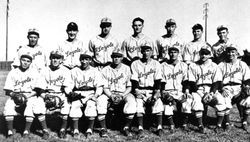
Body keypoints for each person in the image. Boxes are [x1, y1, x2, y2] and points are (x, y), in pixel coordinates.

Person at [4, 52, 49, 139]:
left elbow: (38, 90)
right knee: (8, 106)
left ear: (30, 62)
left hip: (31, 95)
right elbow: (7, 90)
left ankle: (40, 130)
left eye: (28, 61)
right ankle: (9, 131)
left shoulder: (35, 72)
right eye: (23, 60)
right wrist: (14, 95)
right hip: (16, 95)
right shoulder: (13, 72)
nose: (25, 62)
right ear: (20, 60)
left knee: (35, 106)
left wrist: (26, 97)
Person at [185, 47, 226, 133]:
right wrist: (201, 94)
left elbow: (217, 81)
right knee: (197, 102)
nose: (204, 55)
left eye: (206, 53)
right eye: (202, 53)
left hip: (211, 88)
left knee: (221, 101)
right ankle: (200, 125)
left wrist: (211, 93)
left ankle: (218, 125)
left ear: (210, 54)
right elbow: (192, 82)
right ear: (199, 54)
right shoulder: (193, 65)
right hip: (198, 89)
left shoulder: (214, 65)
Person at [99, 51, 136, 138]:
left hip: (123, 93)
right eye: (114, 57)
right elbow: (105, 87)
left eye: (118, 57)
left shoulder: (127, 68)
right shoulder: (105, 69)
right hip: (109, 93)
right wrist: (111, 96)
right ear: (111, 58)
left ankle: (126, 127)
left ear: (122, 58)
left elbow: (129, 87)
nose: (116, 59)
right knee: (100, 100)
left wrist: (122, 95)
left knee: (131, 101)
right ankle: (103, 128)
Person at [131, 45, 164, 137]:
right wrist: (137, 91)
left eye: (148, 51)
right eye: (144, 51)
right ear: (141, 52)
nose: (146, 53)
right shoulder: (135, 63)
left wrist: (156, 92)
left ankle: (159, 127)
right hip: (140, 90)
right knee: (138, 105)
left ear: (152, 52)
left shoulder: (156, 63)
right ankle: (140, 128)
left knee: (158, 103)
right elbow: (134, 79)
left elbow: (158, 80)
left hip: (152, 90)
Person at [215, 46, 250, 132]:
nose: (231, 54)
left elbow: (247, 79)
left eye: (233, 52)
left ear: (237, 53)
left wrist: (247, 87)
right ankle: (227, 123)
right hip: (226, 88)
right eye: (229, 52)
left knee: (248, 100)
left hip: (239, 87)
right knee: (224, 100)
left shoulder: (242, 64)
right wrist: (221, 89)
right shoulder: (222, 65)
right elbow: (218, 79)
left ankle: (244, 122)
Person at [39, 50, 73, 139]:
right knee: (38, 105)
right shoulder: (44, 70)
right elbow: (40, 88)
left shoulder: (66, 71)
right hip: (48, 94)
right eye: (53, 57)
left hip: (61, 94)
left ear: (61, 60)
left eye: (58, 58)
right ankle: (45, 131)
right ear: (50, 58)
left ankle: (62, 129)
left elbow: (67, 87)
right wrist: (45, 97)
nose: (55, 60)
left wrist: (70, 94)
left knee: (66, 105)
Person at [70, 53, 104, 138]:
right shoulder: (74, 70)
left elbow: (99, 86)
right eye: (82, 59)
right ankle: (75, 130)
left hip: (90, 92)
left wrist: (96, 95)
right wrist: (71, 93)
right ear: (80, 60)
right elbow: (68, 85)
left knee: (91, 105)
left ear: (90, 60)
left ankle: (89, 129)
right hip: (78, 92)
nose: (84, 61)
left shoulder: (95, 71)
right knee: (75, 105)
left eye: (86, 59)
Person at [160, 46, 188, 133]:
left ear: (178, 53)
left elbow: (186, 80)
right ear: (168, 54)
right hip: (168, 90)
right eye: (171, 52)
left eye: (175, 52)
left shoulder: (183, 65)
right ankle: (172, 125)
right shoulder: (163, 65)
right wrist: (164, 92)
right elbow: (162, 81)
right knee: (168, 105)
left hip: (179, 90)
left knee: (187, 103)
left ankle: (184, 124)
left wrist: (186, 91)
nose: (173, 54)